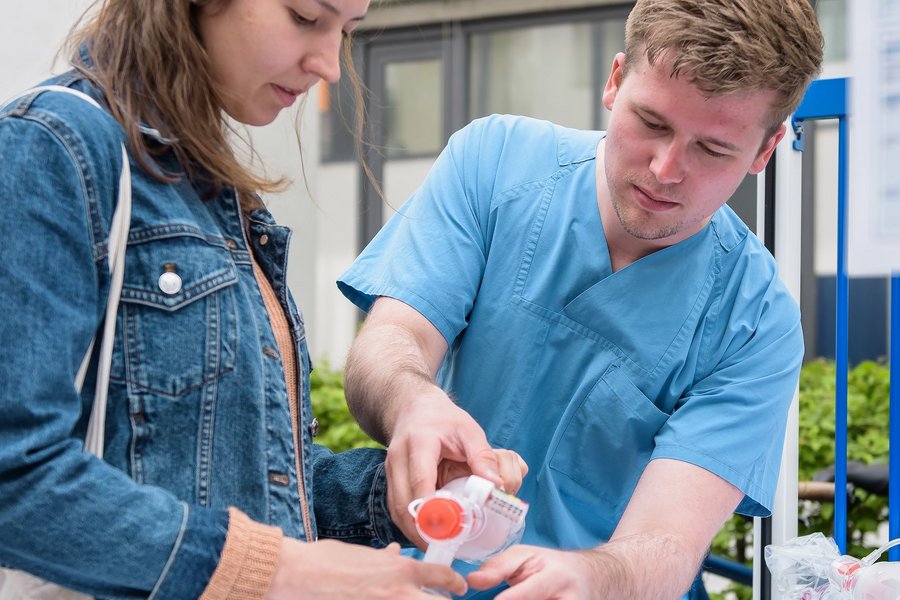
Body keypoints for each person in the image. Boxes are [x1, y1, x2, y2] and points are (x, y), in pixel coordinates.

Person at [0, 0, 527, 598]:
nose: (329, 64)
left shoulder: (216, 195)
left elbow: (252, 473)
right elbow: (14, 477)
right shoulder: (53, 147)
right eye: (306, 18)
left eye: (347, 32)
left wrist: (398, 491)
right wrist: (281, 570)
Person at [337, 0, 824, 597]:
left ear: (765, 150)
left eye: (713, 150)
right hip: (423, 573)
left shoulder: (755, 321)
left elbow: (668, 544)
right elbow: (393, 341)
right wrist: (411, 400)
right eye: (652, 122)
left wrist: (593, 576)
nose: (666, 169)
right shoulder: (494, 164)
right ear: (615, 82)